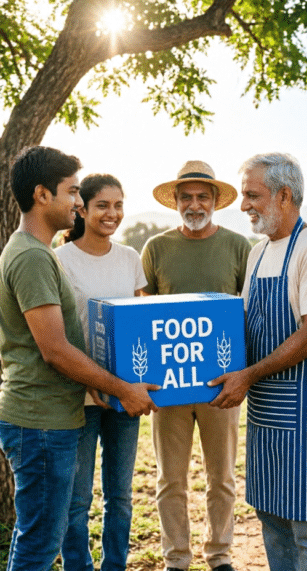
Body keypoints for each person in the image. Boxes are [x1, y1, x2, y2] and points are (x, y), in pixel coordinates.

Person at [0, 146, 157, 571]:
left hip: (49, 416)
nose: (77, 201)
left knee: (36, 538)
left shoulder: (34, 252)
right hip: (41, 421)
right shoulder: (34, 257)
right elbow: (55, 350)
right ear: (42, 195)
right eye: (72, 192)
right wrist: (123, 388)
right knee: (39, 545)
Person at [208, 152, 307, 570]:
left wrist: (248, 374)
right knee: (271, 512)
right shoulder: (258, 254)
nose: (243, 205)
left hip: (306, 400)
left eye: (252, 195)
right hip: (266, 401)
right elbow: (248, 325)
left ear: (284, 195)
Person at [141, 160, 251, 571]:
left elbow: (249, 311)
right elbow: (144, 315)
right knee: (170, 479)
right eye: (186, 197)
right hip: (169, 384)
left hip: (220, 385)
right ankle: (176, 559)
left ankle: (219, 555)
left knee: (221, 478)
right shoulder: (156, 248)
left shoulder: (238, 247)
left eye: (202, 196)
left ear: (215, 201)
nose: (194, 204)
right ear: (175, 201)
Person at [55, 173, 148, 571]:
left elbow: (141, 320)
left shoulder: (129, 258)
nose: (112, 213)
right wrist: (89, 380)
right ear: (82, 209)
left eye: (118, 205)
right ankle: (78, 566)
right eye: (103, 205)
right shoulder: (60, 260)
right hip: (79, 395)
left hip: (125, 395)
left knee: (120, 496)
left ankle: (115, 566)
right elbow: (58, 333)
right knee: (77, 499)